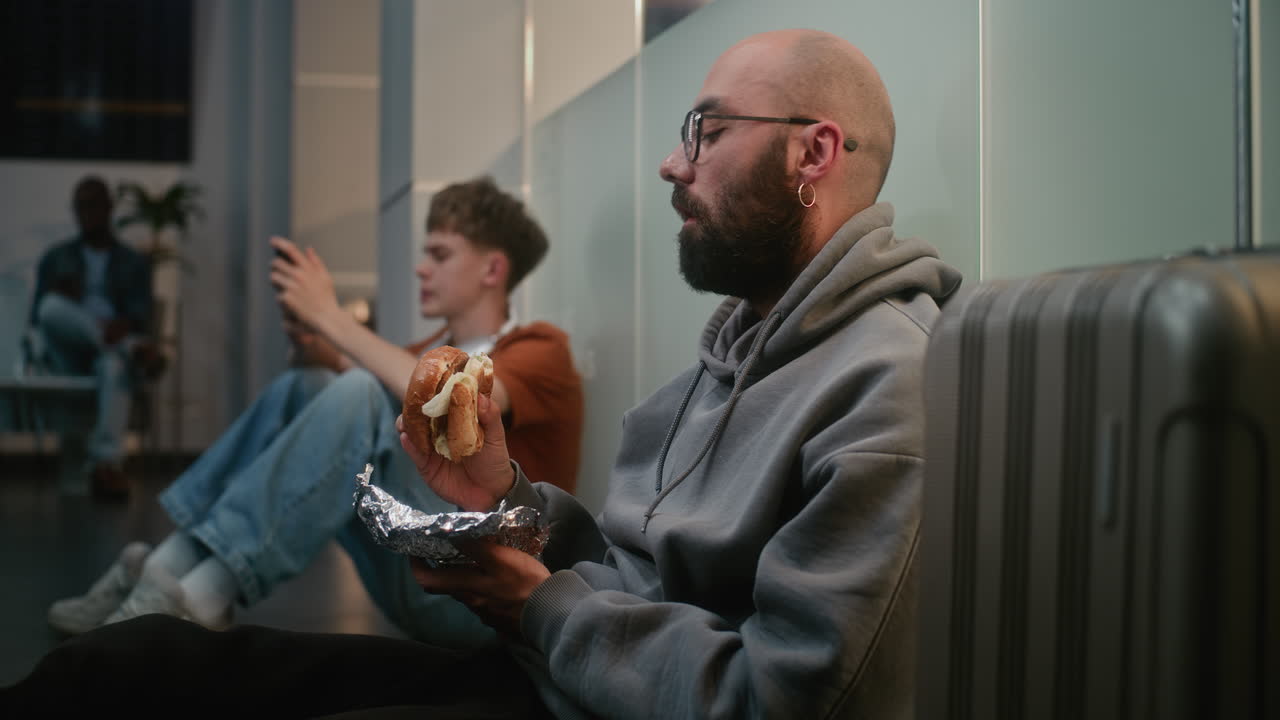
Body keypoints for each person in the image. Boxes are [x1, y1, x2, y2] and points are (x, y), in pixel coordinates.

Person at [2, 30, 962, 719]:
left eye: (707, 130)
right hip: (549, 664)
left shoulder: (885, 388)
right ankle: (171, 591)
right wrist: (506, 499)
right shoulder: (725, 357)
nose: (674, 163)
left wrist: (540, 603)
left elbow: (782, 698)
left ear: (814, 152)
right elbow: (630, 578)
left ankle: (182, 580)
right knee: (125, 671)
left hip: (558, 669)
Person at [42, 177, 584, 652]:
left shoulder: (540, 348)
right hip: (419, 575)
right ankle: (166, 569)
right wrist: (312, 335)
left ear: (492, 268)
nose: (421, 268)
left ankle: (196, 594)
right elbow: (359, 377)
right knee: (313, 382)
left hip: (494, 603)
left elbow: (452, 389)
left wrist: (331, 318)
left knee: (356, 390)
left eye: (440, 255)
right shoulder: (420, 349)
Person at [27, 176, 165, 498]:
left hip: (109, 351)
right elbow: (39, 316)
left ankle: (106, 466)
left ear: (108, 208)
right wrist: (65, 298)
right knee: (52, 306)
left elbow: (140, 313)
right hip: (69, 349)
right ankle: (133, 350)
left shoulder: (132, 262)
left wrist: (125, 323)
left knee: (115, 367)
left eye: (94, 206)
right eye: (81, 207)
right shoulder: (56, 257)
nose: (87, 213)